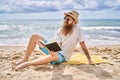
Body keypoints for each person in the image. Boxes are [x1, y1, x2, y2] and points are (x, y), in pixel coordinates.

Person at [15, 10, 93, 71]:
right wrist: (50, 48)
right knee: (34, 36)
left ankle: (28, 64)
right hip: (55, 51)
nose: (65, 20)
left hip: (63, 56)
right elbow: (57, 43)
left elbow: (83, 45)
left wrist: (89, 59)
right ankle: (25, 58)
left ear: (74, 21)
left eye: (68, 19)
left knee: (54, 55)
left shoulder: (79, 30)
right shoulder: (60, 30)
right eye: (65, 18)